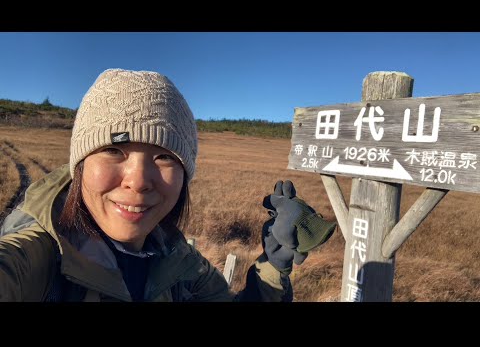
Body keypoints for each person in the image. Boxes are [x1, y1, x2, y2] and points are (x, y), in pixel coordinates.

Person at [0, 68, 336, 302]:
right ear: (80, 165)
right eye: (114, 150)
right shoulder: (35, 257)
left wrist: (273, 268)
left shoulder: (180, 263)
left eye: (164, 157)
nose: (138, 181)